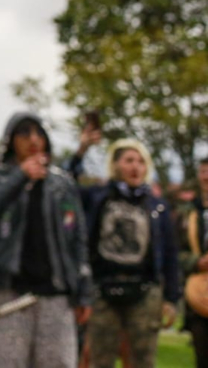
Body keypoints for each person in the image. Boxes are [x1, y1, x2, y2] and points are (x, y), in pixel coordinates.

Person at [0, 113, 91, 368]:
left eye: (39, 133)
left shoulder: (62, 184)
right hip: (9, 291)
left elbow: (78, 239)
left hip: (56, 294)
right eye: (24, 133)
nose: (33, 139)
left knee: (59, 362)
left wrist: (83, 291)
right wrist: (20, 176)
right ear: (10, 140)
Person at [81, 139, 178, 368]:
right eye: (129, 160)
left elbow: (170, 254)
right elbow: (67, 186)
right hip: (103, 288)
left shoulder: (157, 206)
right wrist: (81, 150)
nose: (136, 167)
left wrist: (172, 297)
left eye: (141, 161)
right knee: (99, 358)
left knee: (142, 360)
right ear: (115, 165)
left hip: (145, 291)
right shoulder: (97, 198)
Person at [183, 158, 208, 368]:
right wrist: (196, 262)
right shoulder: (188, 212)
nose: (207, 176)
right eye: (203, 171)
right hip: (198, 296)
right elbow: (172, 252)